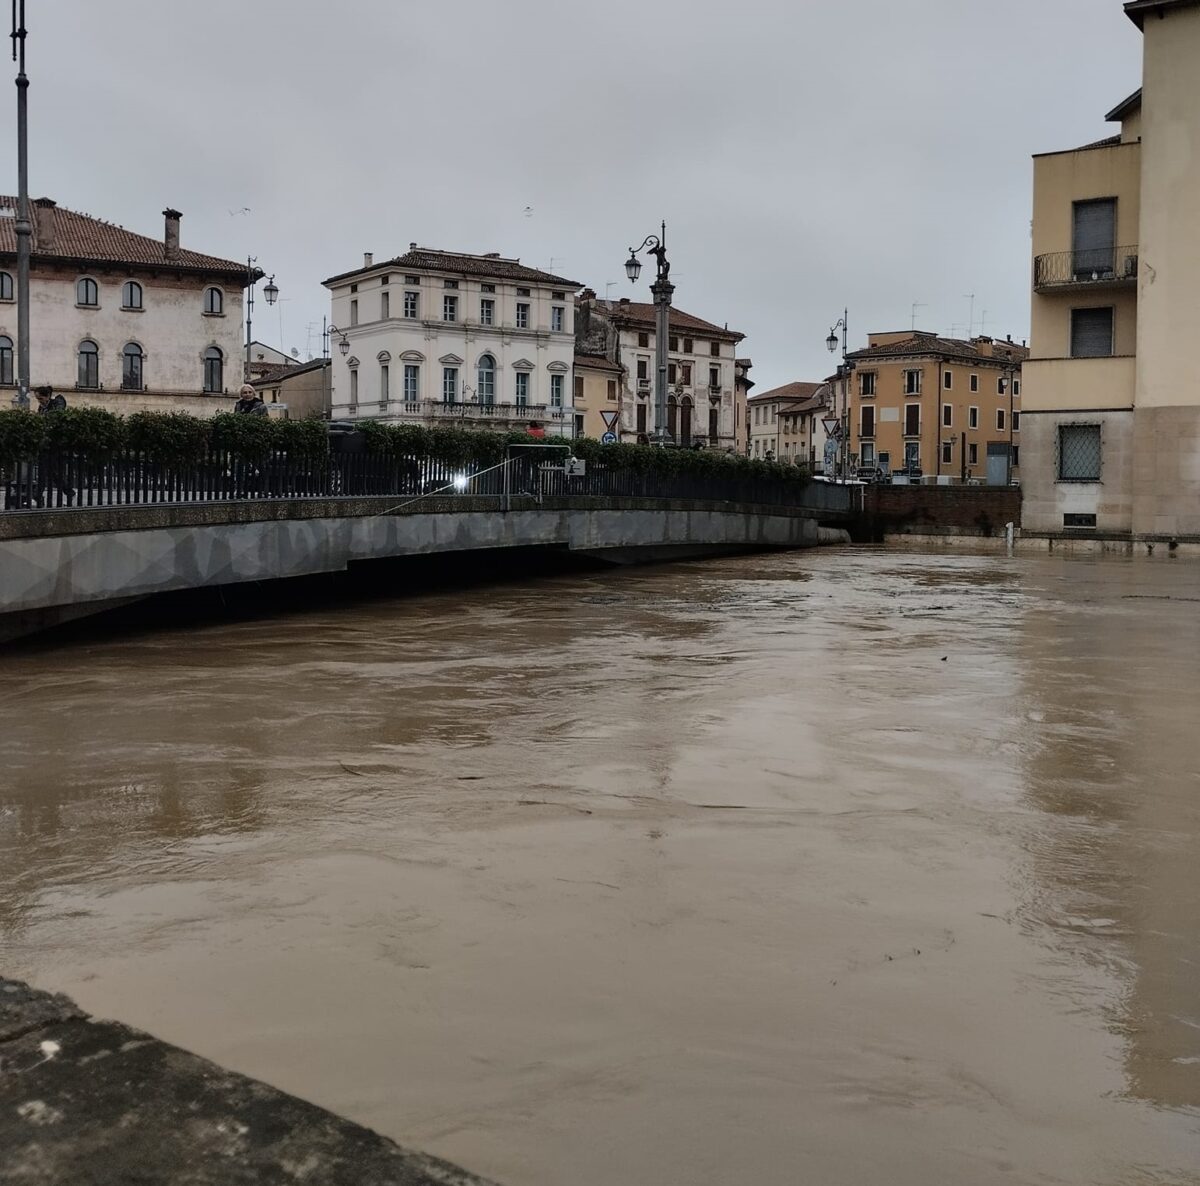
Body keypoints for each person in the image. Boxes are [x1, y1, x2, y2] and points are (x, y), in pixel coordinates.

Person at [33, 385, 74, 506]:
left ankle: (38, 495)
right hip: (45, 444)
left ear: (48, 396)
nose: (39, 401)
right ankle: (67, 492)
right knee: (48, 472)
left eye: (40, 398)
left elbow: (56, 419)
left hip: (55, 444)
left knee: (50, 472)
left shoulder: (56, 405)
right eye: (38, 399)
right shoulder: (42, 408)